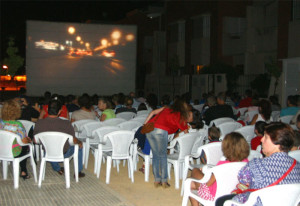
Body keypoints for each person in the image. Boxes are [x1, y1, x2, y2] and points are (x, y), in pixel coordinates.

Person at [216, 122, 300, 205]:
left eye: (266, 137)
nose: (261, 139)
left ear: (277, 144)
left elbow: (242, 180)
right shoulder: (297, 165)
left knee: (220, 201)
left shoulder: (256, 165)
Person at [189, 132, 249, 205]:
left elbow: (208, 183)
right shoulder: (246, 162)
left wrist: (204, 174)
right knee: (191, 184)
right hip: (234, 192)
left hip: (215, 196)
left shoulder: (222, 164)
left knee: (195, 171)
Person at [144, 98, 190, 188]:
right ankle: (164, 181)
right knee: (163, 156)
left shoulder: (166, 109)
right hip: (160, 131)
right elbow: (186, 132)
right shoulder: (180, 115)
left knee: (156, 155)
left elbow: (152, 112)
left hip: (149, 130)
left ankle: (157, 180)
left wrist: (144, 124)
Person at [33, 99, 85, 177]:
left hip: (48, 153)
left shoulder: (39, 123)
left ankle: (57, 168)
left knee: (49, 147)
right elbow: (73, 140)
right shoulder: (66, 123)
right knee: (79, 146)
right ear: (59, 111)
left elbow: (35, 141)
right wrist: (79, 142)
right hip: (64, 153)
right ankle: (78, 172)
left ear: (47, 109)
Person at [0, 99, 32, 179]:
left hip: (1, 150)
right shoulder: (18, 125)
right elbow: (23, 141)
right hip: (14, 152)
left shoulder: (1, 122)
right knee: (25, 146)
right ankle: (23, 171)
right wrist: (29, 140)